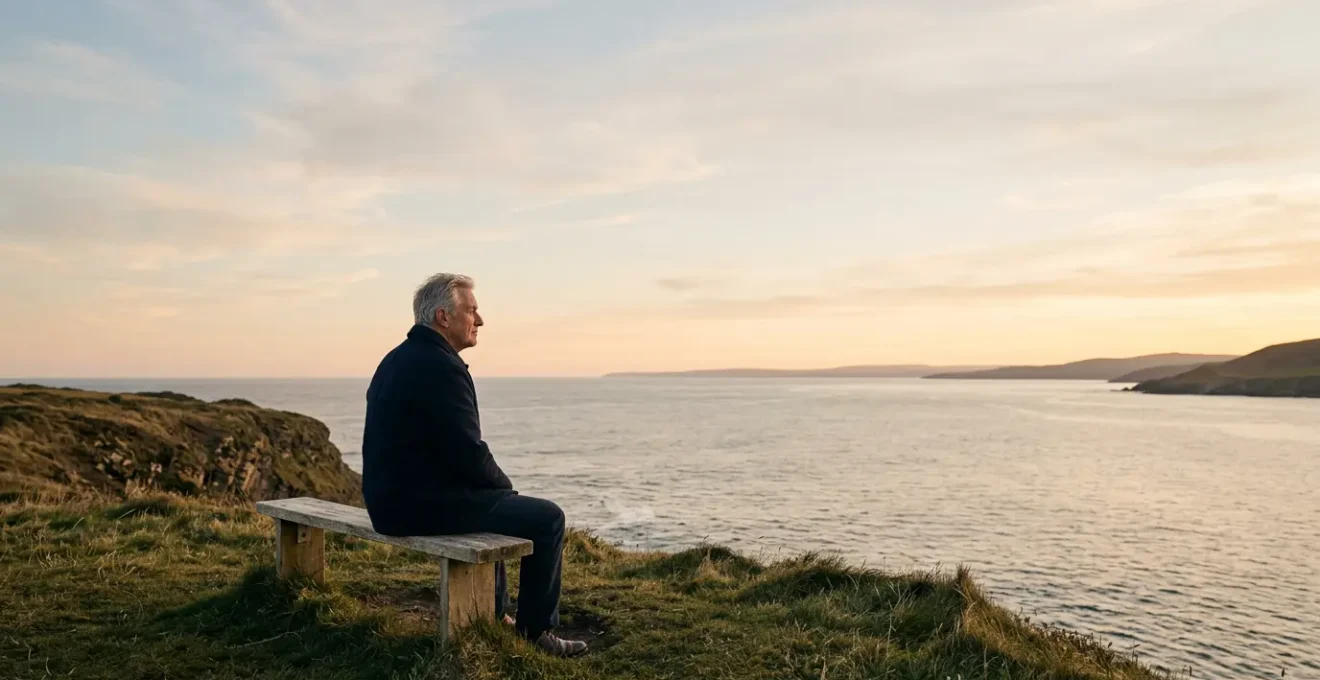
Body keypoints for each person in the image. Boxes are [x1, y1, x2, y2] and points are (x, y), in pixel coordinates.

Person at [361, 272, 587, 657]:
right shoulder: (441, 367)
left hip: (389, 502)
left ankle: (496, 614)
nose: (479, 321)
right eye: (472, 311)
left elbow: (441, 450)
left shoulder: (397, 359)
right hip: (414, 507)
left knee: (486, 502)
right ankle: (536, 633)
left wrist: (490, 490)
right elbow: (468, 450)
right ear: (443, 317)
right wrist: (503, 487)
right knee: (547, 518)